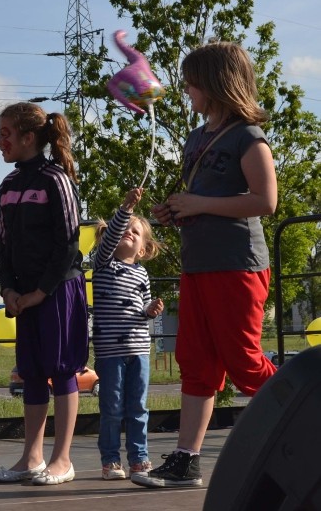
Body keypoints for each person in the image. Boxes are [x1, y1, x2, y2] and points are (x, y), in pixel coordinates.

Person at [133, 41, 278, 489]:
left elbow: (265, 201)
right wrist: (178, 210)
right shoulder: (197, 137)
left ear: (215, 82)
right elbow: (206, 199)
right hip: (199, 266)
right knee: (197, 362)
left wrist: (199, 203)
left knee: (245, 363)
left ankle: (305, 412)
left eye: (192, 81)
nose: (186, 90)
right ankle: (186, 459)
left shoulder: (248, 136)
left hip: (237, 265)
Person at [0, 102, 88, 486]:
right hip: (25, 296)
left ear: (28, 138)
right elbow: (2, 245)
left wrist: (40, 292)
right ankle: (31, 457)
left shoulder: (56, 179)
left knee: (62, 369)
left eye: (6, 134)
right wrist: (11, 288)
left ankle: (62, 459)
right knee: (31, 372)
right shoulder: (8, 185)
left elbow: (68, 243)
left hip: (58, 290)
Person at [91, 187, 164, 481]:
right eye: (125, 229)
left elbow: (143, 305)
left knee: (138, 407)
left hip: (139, 349)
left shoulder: (142, 274)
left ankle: (139, 458)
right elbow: (109, 240)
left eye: (136, 233)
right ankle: (110, 460)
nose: (129, 234)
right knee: (111, 408)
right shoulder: (103, 262)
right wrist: (126, 209)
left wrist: (151, 310)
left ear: (143, 250)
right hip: (110, 351)